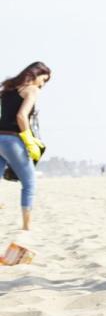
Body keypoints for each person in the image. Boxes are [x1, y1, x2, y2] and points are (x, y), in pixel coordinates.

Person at [0, 62, 51, 230]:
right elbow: (21, 116)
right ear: (36, 74)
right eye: (44, 79)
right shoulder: (31, 90)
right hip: (13, 140)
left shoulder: (7, 90)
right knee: (29, 184)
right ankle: (26, 227)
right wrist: (29, 139)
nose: (43, 85)